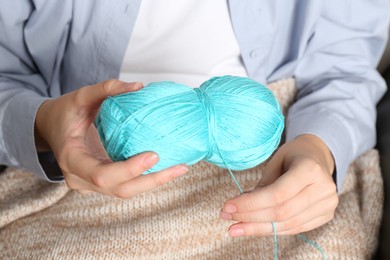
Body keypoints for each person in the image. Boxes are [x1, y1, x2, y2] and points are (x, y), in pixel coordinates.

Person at [0, 0, 389, 239]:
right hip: (75, 168)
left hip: (275, 155)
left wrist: (317, 150)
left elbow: (345, 71)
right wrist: (42, 124)